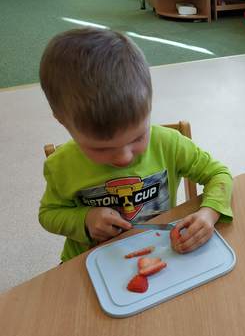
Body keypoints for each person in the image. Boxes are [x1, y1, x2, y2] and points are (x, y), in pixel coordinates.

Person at [39, 28, 233, 262]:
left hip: (160, 251)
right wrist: (85, 219)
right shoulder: (61, 166)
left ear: (149, 106)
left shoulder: (168, 144)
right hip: (90, 259)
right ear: (61, 120)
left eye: (138, 138)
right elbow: (48, 214)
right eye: (101, 148)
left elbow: (219, 174)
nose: (123, 158)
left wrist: (209, 212)